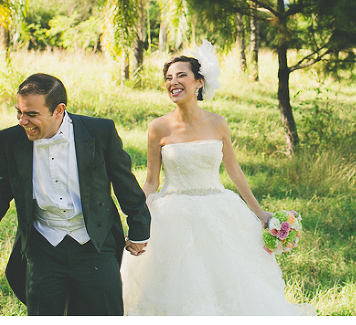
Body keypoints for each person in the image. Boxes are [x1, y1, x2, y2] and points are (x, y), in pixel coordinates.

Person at [120, 40, 315, 315]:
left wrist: (259, 212)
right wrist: (135, 219)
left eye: (181, 75)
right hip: (173, 214)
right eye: (168, 78)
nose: (173, 82)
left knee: (232, 281)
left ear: (199, 82)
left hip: (219, 210)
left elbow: (234, 171)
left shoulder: (218, 122)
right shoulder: (158, 127)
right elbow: (151, 181)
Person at [0, 73, 151, 315]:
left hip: (94, 242)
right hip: (43, 246)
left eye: (32, 114)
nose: (22, 121)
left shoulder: (98, 131)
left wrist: (139, 229)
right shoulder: (10, 139)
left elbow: (124, 182)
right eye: (19, 112)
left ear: (59, 110)